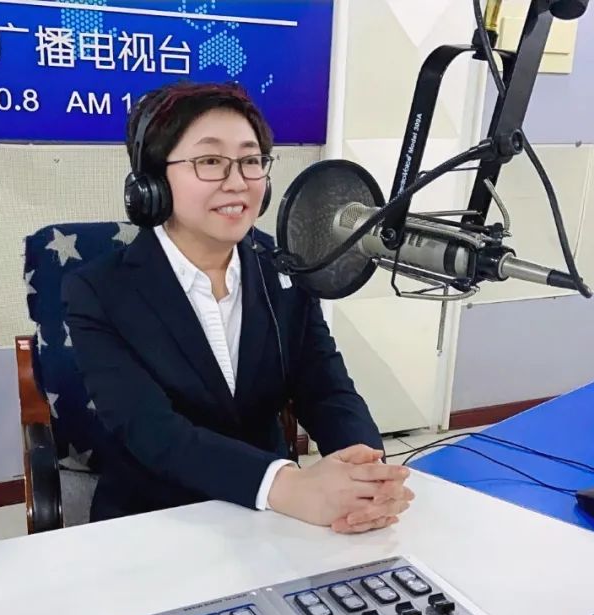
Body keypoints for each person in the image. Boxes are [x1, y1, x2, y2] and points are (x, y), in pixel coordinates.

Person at [62, 80, 413, 532]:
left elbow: (326, 389)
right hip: (158, 522)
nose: (238, 183)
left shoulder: (285, 268)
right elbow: (152, 431)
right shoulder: (98, 290)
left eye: (251, 161)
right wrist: (287, 486)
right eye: (210, 161)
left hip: (271, 520)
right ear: (152, 182)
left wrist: (365, 472)